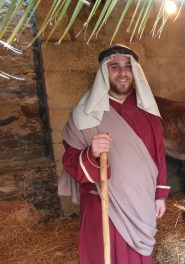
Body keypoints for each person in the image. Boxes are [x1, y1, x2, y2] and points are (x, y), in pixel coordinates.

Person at [58, 44, 170, 264]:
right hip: (103, 205)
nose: (122, 73)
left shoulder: (148, 111)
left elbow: (159, 155)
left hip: (141, 202)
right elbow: (69, 159)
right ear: (103, 73)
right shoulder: (84, 114)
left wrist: (160, 196)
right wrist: (91, 154)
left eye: (128, 66)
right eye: (114, 67)